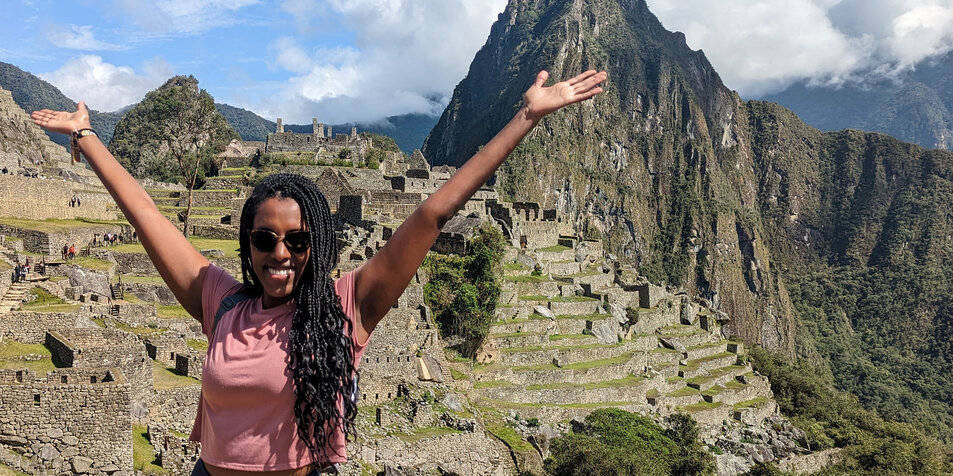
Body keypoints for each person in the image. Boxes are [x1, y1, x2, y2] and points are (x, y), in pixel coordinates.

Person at [31, 68, 606, 476]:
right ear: (247, 244)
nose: (280, 253)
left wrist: (527, 116)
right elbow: (148, 215)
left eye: (298, 239)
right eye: (265, 238)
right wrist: (87, 136)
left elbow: (433, 213)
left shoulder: (345, 309)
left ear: (318, 245)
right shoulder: (221, 303)